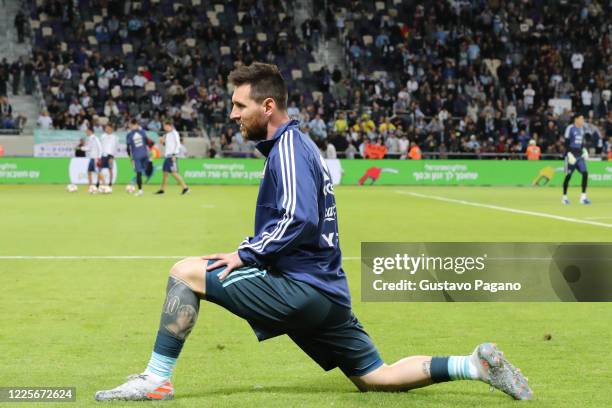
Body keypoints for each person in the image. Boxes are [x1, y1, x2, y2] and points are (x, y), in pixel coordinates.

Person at [94, 62, 532, 402]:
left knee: (185, 271)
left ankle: (156, 380)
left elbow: (297, 218)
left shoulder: (286, 147)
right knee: (374, 377)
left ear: (268, 106)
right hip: (329, 293)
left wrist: (246, 253)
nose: (232, 114)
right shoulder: (300, 146)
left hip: (300, 287)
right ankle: (473, 365)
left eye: (239, 106)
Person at [562, 114, 591, 205]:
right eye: (581, 119)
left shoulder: (582, 130)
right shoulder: (570, 128)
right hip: (571, 155)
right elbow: (566, 143)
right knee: (568, 176)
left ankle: (583, 198)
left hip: (579, 156)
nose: (583, 121)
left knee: (585, 173)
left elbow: (581, 144)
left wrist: (584, 150)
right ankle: (564, 197)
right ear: (576, 119)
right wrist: (568, 154)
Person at [155, 121, 189, 195]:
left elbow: (178, 144)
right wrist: (162, 142)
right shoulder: (167, 135)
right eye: (164, 126)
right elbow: (167, 145)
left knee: (174, 173)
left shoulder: (175, 133)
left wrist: (174, 155)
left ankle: (185, 188)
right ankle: (162, 190)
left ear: (169, 126)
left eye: (165, 126)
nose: (164, 128)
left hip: (171, 156)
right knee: (165, 174)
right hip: (167, 156)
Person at [126, 119, 151, 196]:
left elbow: (128, 148)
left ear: (134, 125)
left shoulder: (129, 135)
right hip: (145, 155)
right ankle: (140, 190)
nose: (129, 126)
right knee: (141, 172)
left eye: (130, 125)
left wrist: (130, 157)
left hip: (137, 156)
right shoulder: (142, 132)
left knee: (139, 173)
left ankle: (140, 190)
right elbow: (148, 142)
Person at [83, 128, 105, 193]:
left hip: (96, 158)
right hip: (92, 158)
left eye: (86, 131)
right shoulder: (90, 138)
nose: (85, 132)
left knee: (98, 172)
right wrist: (81, 148)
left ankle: (105, 186)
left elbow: (100, 147)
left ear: (90, 131)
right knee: (89, 172)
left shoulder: (95, 138)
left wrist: (99, 157)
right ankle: (91, 187)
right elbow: (89, 148)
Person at [100, 124, 118, 191]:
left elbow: (116, 147)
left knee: (110, 169)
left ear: (111, 129)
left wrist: (113, 155)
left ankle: (110, 184)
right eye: (105, 128)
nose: (106, 129)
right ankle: (103, 184)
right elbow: (100, 145)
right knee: (100, 170)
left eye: (107, 128)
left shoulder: (115, 137)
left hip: (110, 155)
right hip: (103, 155)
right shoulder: (103, 136)